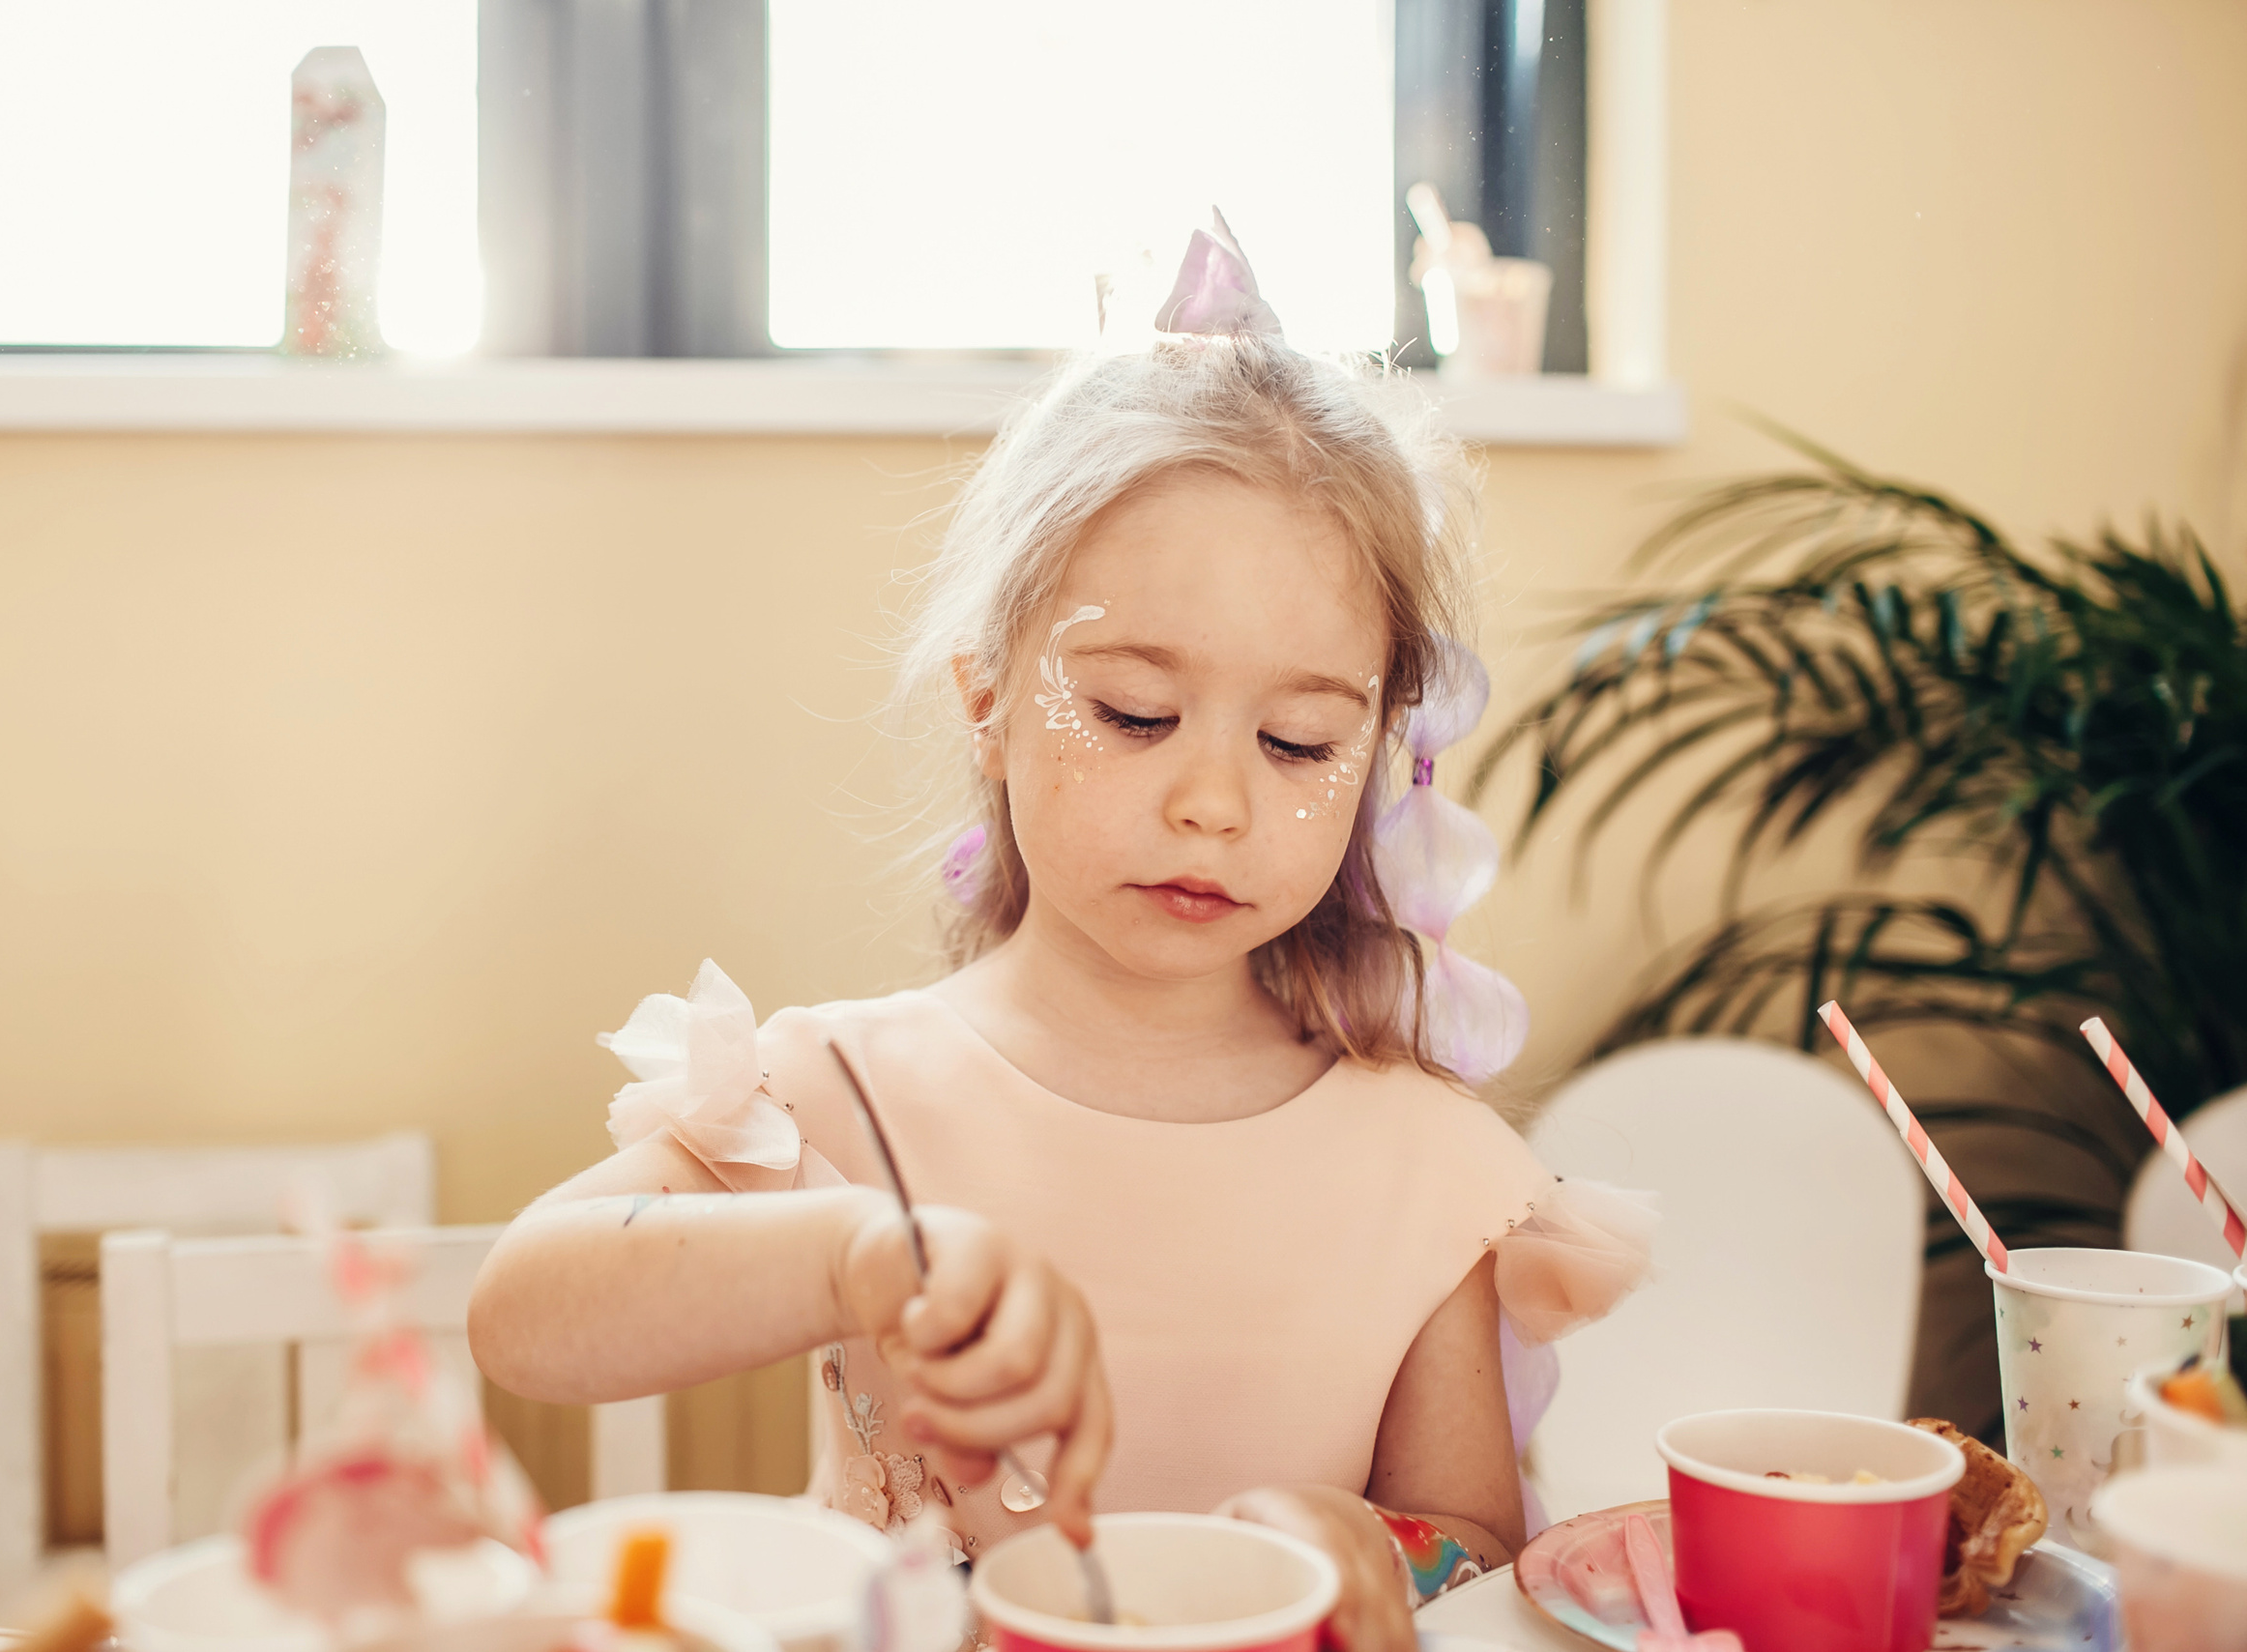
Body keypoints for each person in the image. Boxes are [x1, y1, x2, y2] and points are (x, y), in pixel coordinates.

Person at [469, 218, 1653, 1652]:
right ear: (986, 698)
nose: (1214, 799)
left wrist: (1377, 1551)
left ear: (1382, 752)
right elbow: (522, 1307)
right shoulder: (848, 1097)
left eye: (1298, 739)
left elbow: (1477, 1554)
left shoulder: (1423, 1165)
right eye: (1136, 715)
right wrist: (852, 1253)